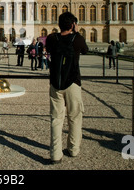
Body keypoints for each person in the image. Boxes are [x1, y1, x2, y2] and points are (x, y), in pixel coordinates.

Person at [46, 12, 88, 164]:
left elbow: (49, 48)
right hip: (73, 83)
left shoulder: (51, 38)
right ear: (72, 25)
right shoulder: (77, 39)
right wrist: (76, 32)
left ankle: (55, 155)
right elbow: (85, 50)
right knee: (75, 118)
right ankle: (73, 149)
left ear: (59, 24)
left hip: (55, 83)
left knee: (56, 119)